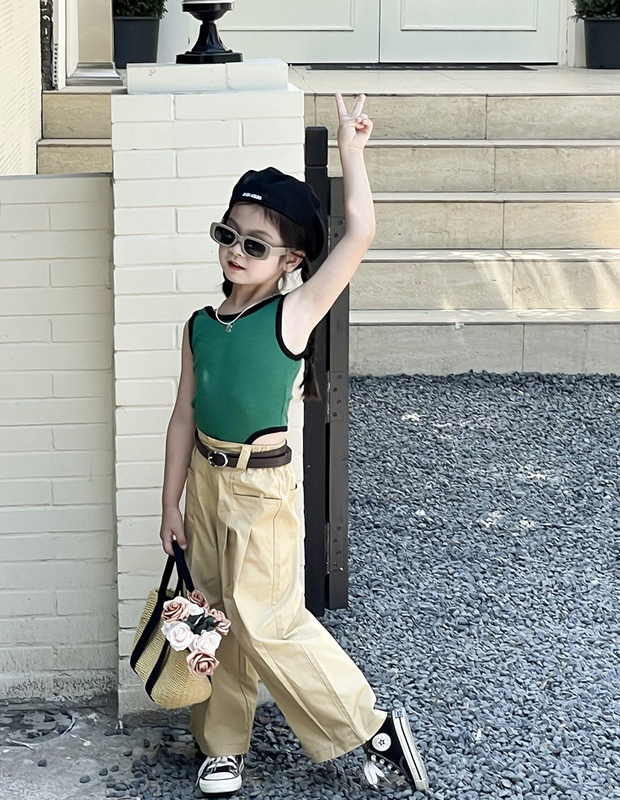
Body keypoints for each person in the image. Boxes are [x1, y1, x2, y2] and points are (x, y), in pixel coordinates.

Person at [158, 94, 428, 796]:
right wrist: (170, 504)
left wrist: (350, 152)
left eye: (256, 244)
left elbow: (361, 232)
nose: (236, 251)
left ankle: (372, 726)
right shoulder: (199, 325)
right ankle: (222, 744)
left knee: (268, 622)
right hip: (205, 482)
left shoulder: (293, 314)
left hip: (261, 488)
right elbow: (183, 416)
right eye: (229, 234)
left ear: (291, 260)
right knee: (211, 615)